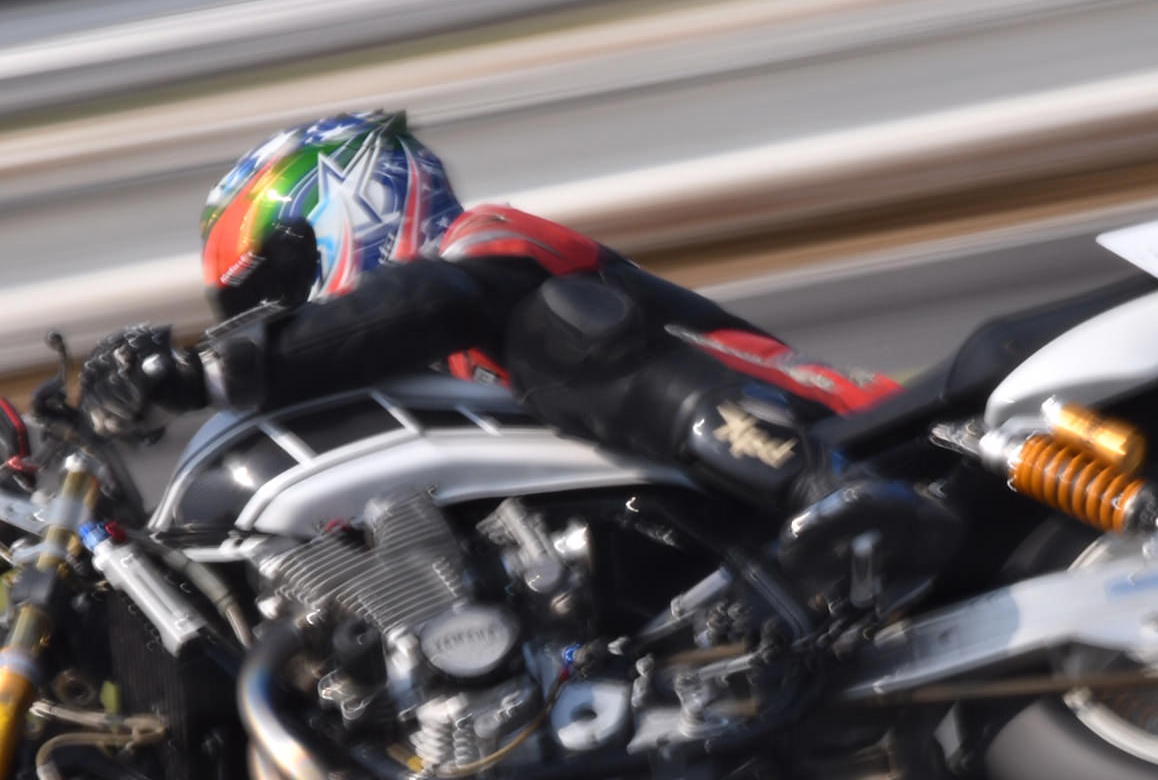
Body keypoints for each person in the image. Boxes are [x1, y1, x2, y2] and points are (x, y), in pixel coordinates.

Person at [69, 110, 945, 545]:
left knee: (542, 325)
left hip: (865, 435)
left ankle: (817, 485)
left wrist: (211, 373)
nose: (279, 315)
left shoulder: (485, 246)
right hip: (704, 545)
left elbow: (434, 302)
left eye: (278, 284)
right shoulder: (433, 383)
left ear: (349, 205)